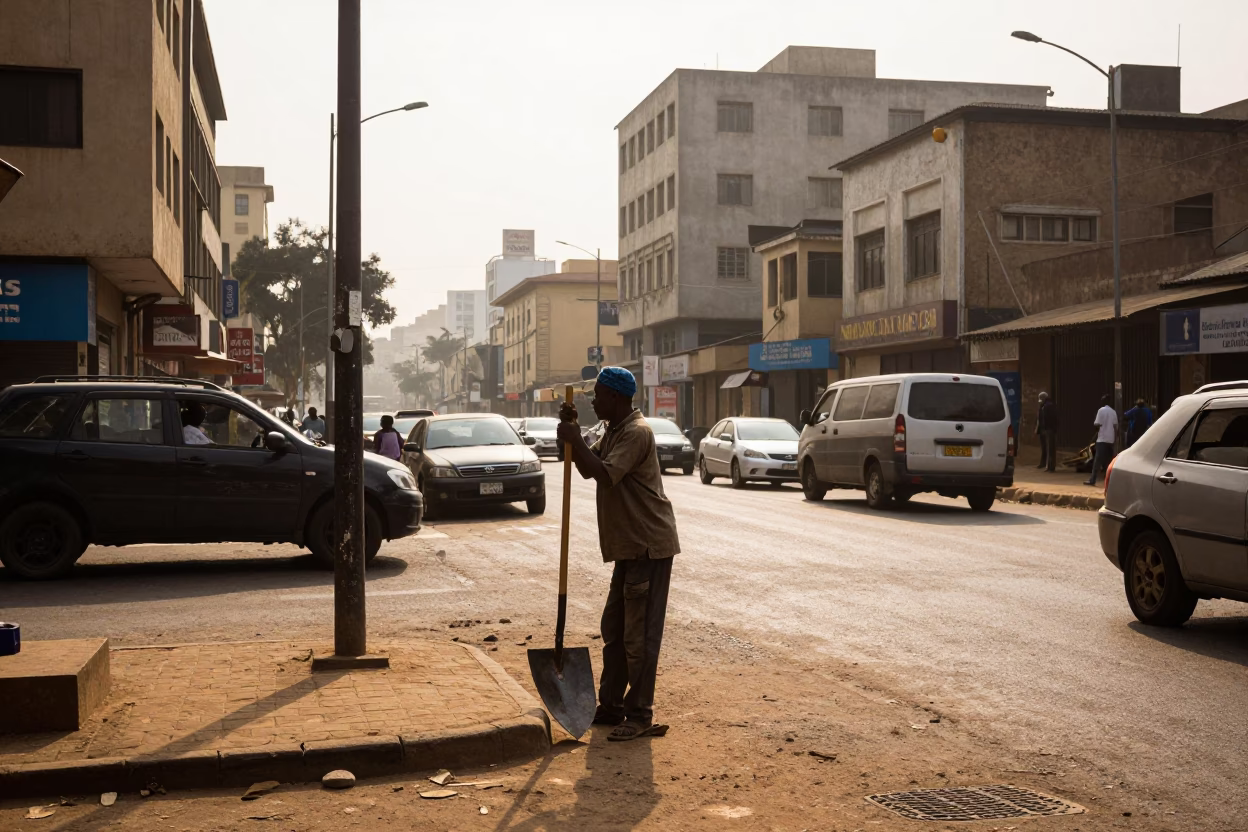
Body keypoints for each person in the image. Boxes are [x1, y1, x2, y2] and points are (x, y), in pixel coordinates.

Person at [556, 367, 680, 742]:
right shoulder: (613, 430)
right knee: (614, 630)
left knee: (638, 638)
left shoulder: (636, 433)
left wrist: (575, 439)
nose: (594, 401)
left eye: (598, 395)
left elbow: (606, 474)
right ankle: (610, 706)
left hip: (647, 546)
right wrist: (573, 438)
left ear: (617, 397)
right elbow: (585, 469)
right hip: (629, 548)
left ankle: (639, 714)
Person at [1086, 394, 1118, 486]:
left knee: (1097, 460)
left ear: (1104, 402)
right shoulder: (1113, 412)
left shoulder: (1101, 410)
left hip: (1102, 439)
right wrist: (1115, 440)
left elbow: (1096, 424)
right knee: (1109, 461)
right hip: (1110, 439)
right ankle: (1111, 481)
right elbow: (1115, 427)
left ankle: (1092, 480)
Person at [1035, 392, 1058, 472]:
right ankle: (1047, 465)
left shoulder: (1049, 406)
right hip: (1045, 429)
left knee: (1050, 449)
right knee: (1046, 448)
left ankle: (1051, 466)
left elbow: (1050, 419)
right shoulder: (1043, 406)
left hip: (1049, 429)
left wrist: (1048, 428)